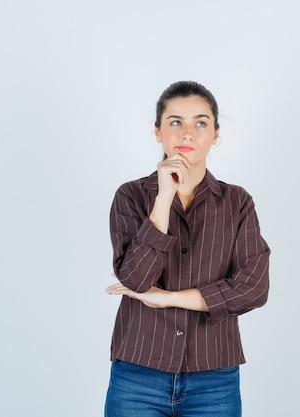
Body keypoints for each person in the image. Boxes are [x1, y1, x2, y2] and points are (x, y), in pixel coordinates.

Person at [104, 80, 270, 417]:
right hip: (138, 373)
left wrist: (167, 297)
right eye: (175, 122)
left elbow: (253, 289)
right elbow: (136, 280)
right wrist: (163, 197)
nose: (187, 134)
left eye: (201, 122)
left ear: (215, 134)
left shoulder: (237, 202)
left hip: (214, 379)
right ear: (157, 132)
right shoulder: (131, 197)